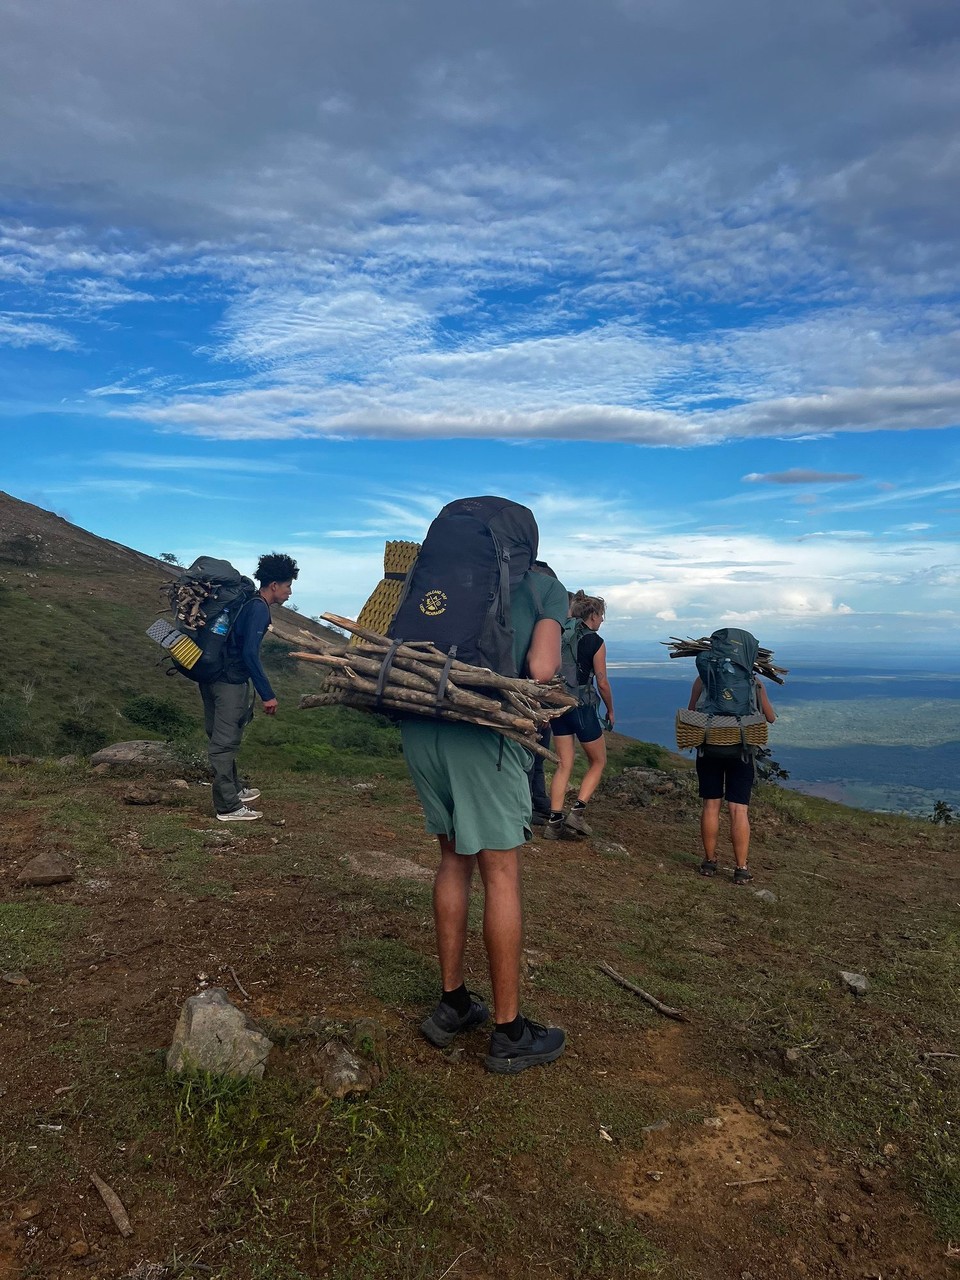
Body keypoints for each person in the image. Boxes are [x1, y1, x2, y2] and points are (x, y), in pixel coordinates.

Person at [403, 512, 570, 1074]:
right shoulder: (545, 585)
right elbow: (542, 667)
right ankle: (509, 1031)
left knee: (451, 858)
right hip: (485, 731)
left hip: (420, 719)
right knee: (500, 872)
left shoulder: (434, 576)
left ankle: (452, 1004)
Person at [201, 552, 298, 822]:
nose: (290, 592)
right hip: (229, 682)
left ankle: (235, 790)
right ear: (274, 586)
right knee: (224, 742)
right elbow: (250, 654)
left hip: (213, 675)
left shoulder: (248, 602)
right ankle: (228, 807)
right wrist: (268, 694)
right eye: (288, 586)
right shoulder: (258, 608)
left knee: (220, 737)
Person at [688, 671, 776, 883]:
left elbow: (692, 712)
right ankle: (741, 868)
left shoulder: (702, 679)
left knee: (711, 805)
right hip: (742, 751)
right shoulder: (754, 681)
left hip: (709, 750)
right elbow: (770, 717)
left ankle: (709, 862)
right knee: (739, 809)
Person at [542, 591, 614, 841]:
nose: (602, 620)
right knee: (598, 761)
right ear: (593, 615)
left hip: (558, 704)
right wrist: (611, 710)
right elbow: (602, 682)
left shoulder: (560, 634)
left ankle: (554, 822)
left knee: (564, 764)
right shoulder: (596, 641)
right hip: (582, 706)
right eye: (601, 615)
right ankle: (578, 812)